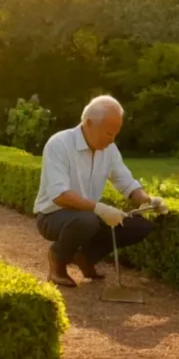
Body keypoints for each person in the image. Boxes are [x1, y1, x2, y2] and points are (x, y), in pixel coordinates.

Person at [33, 95, 168, 287]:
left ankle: (86, 258)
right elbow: (59, 195)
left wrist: (148, 201)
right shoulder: (59, 144)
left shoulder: (110, 149)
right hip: (52, 216)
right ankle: (58, 260)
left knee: (139, 226)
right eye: (108, 133)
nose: (112, 140)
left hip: (89, 216)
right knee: (86, 220)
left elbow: (126, 183)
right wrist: (100, 209)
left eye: (115, 134)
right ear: (88, 123)